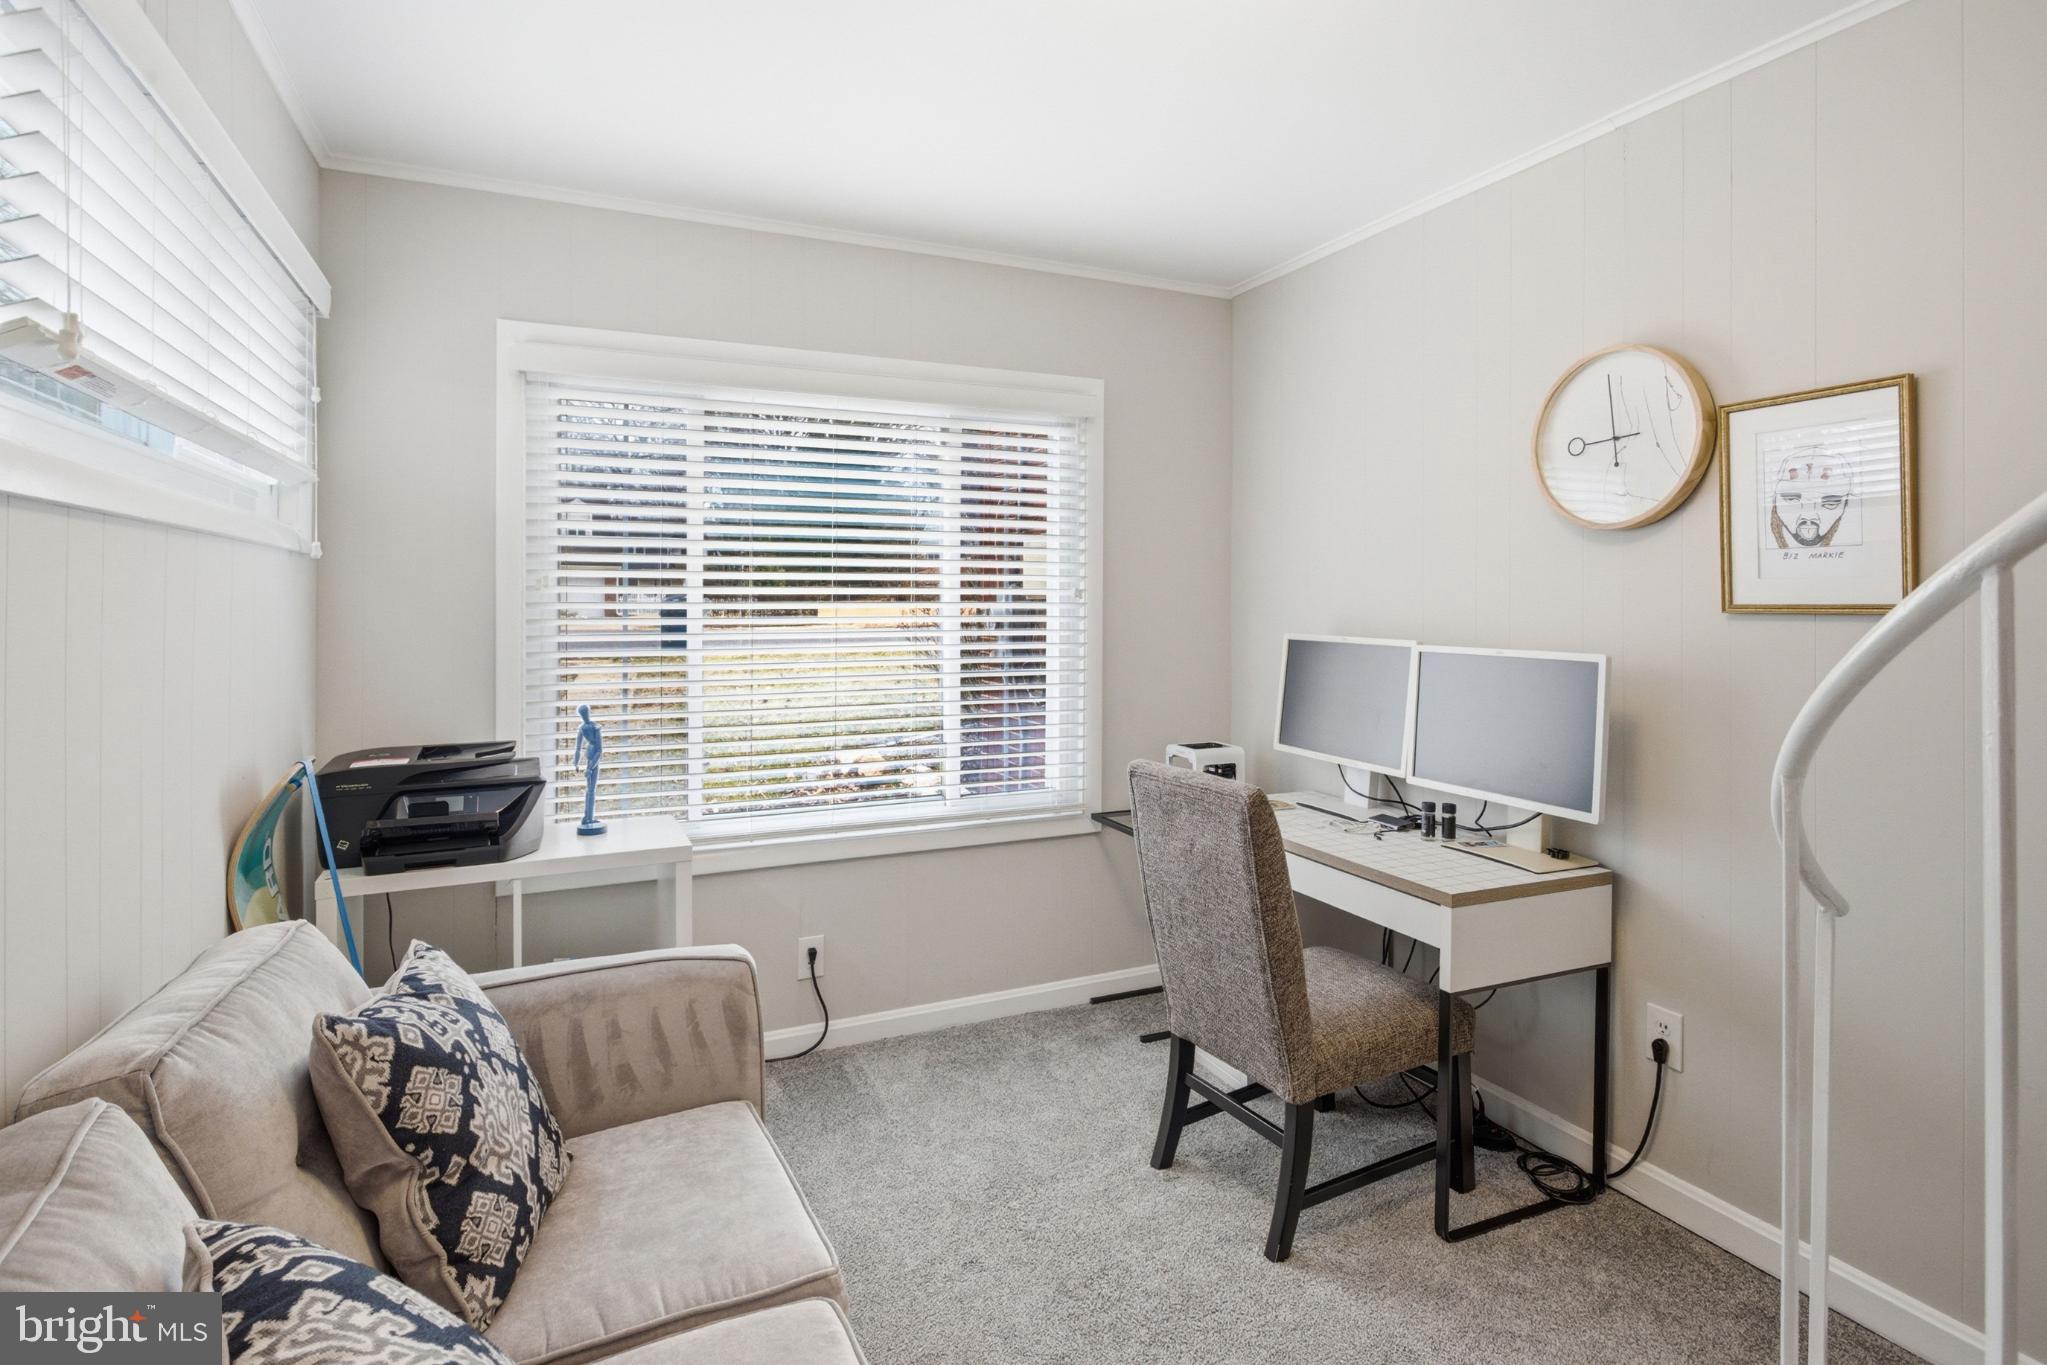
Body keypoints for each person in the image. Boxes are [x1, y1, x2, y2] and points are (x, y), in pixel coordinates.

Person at [572, 703, 606, 835]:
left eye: (586, 713)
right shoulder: (583, 728)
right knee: (590, 789)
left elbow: (600, 749)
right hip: (591, 755)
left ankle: (589, 816)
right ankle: (588, 817)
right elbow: (578, 748)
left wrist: (591, 766)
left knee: (591, 789)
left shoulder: (595, 727)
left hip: (593, 757)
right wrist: (576, 762)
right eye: (583, 714)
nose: (585, 716)